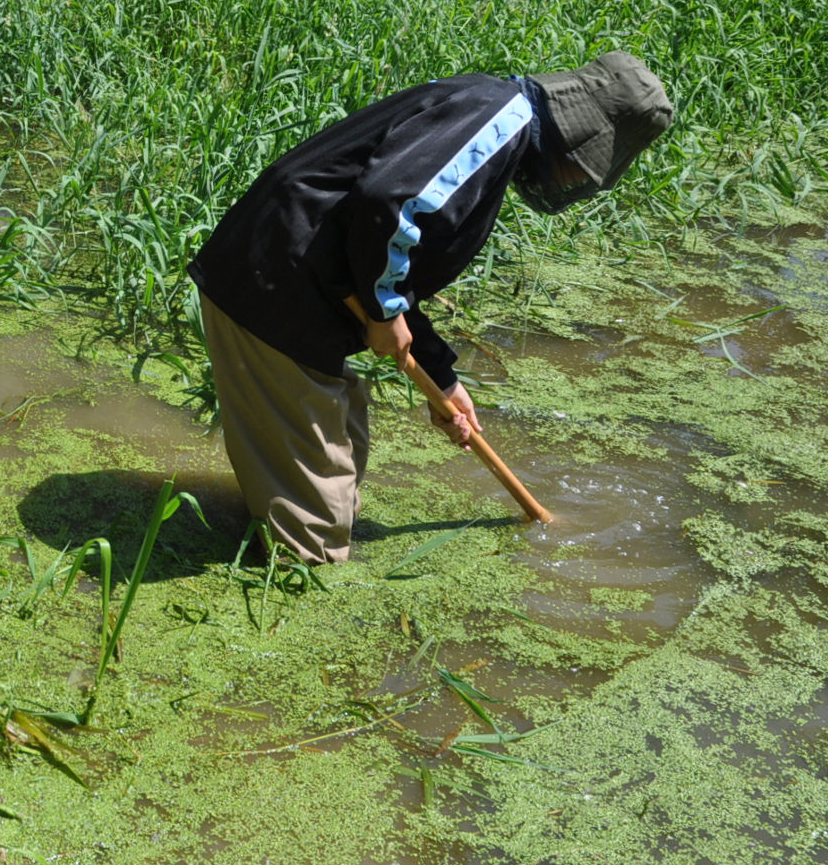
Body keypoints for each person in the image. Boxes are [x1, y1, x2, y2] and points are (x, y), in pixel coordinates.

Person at [188, 53, 673, 564]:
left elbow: (395, 260)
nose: (576, 176)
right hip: (273, 280)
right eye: (585, 163)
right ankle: (288, 578)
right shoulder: (498, 119)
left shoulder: (491, 110)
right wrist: (383, 312)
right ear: (579, 132)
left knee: (344, 458)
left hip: (305, 285)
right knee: (314, 545)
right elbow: (385, 204)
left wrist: (442, 379)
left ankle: (263, 518)